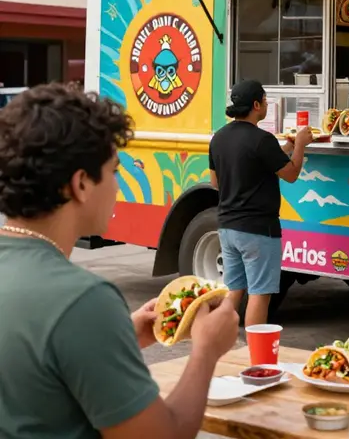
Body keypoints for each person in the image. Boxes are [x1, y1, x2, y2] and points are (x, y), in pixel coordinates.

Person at [0, 83, 239, 439]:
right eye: (113, 171)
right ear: (81, 185)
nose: (118, 185)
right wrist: (206, 351)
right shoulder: (83, 300)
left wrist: (120, 335)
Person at [209, 79, 312, 327]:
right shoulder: (261, 139)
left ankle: (214, 340)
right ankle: (257, 357)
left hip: (227, 226)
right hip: (258, 230)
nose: (267, 104)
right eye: (265, 100)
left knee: (234, 290)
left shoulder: (219, 138)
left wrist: (284, 148)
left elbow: (216, 183)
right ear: (256, 105)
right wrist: (300, 145)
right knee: (259, 294)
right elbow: (291, 174)